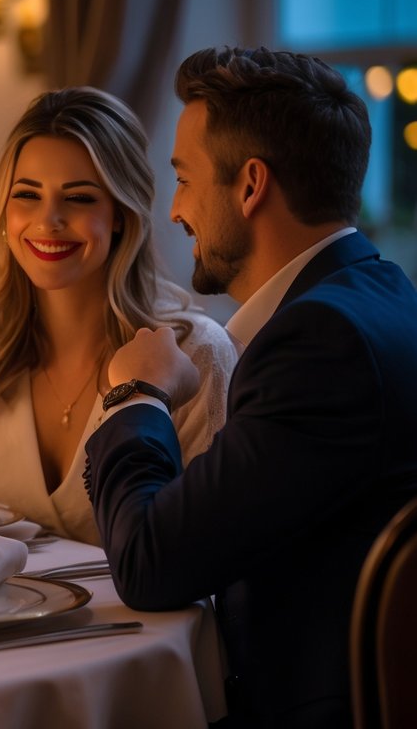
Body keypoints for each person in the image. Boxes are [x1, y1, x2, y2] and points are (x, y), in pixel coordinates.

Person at [84, 46, 417, 727]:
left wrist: (136, 395)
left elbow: (150, 565)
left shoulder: (318, 346)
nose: (174, 212)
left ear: (249, 185)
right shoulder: (382, 294)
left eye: (182, 180)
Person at [0, 87, 236, 545]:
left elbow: (203, 547)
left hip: (146, 618)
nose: (49, 221)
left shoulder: (195, 352)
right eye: (27, 195)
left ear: (122, 213)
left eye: (80, 198)